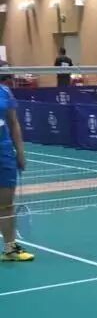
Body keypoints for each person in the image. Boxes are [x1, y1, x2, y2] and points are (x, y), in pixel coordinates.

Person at [0, 80, 33, 262]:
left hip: (3, 151)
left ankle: (10, 249)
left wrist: (20, 151)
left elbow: (13, 123)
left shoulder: (4, 91)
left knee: (5, 203)